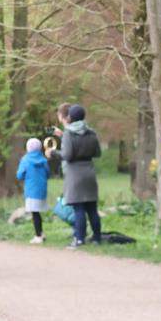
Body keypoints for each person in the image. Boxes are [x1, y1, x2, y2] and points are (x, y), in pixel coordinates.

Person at [46, 103, 101, 248]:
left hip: (74, 174)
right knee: (92, 208)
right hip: (89, 171)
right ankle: (96, 238)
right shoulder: (91, 132)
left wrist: (52, 152)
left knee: (79, 209)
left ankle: (79, 239)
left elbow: (67, 155)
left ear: (70, 117)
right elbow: (97, 152)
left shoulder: (69, 134)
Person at [17, 137, 50, 243]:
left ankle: (38, 235)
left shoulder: (25, 160)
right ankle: (41, 233)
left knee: (35, 213)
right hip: (42, 190)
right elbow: (48, 173)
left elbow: (20, 175)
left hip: (31, 190)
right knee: (37, 212)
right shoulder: (44, 160)